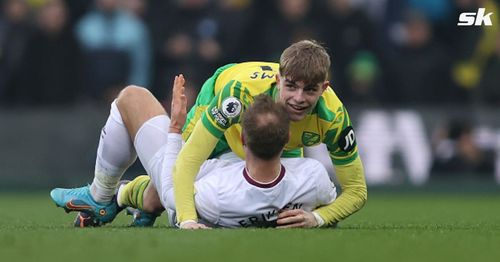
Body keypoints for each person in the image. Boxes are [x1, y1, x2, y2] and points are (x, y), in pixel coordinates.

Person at [51, 40, 367, 228]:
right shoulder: (238, 94)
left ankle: (121, 196)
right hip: (213, 113)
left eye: (310, 90)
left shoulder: (334, 116)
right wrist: (187, 219)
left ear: (324, 89)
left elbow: (357, 190)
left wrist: (317, 219)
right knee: (177, 184)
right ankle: (121, 196)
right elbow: (187, 162)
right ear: (278, 78)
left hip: (259, 150)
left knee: (135, 104)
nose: (299, 98)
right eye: (292, 87)